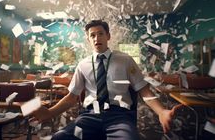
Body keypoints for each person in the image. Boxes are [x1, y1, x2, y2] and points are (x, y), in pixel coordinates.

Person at [31, 19, 178, 140]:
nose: (96, 38)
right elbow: (72, 97)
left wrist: (161, 112)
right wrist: (49, 112)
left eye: (100, 34)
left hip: (119, 116)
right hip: (90, 116)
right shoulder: (82, 65)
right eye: (92, 35)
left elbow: (144, 90)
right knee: (59, 138)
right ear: (88, 39)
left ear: (108, 36)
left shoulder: (125, 60)